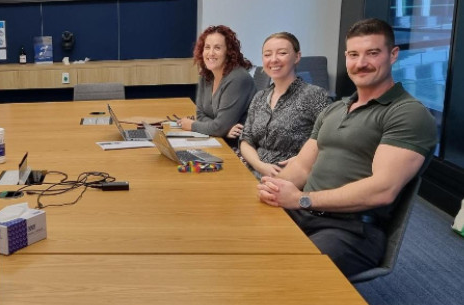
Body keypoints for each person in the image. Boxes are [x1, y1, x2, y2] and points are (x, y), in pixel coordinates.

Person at [257, 19, 436, 278]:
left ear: (393, 55)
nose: (361, 62)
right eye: (354, 54)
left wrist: (301, 199)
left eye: (372, 53)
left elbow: (382, 190)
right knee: (237, 244)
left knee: (288, 275)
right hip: (303, 213)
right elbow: (302, 166)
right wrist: (274, 191)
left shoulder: (408, 114)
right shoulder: (335, 109)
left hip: (350, 230)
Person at [228, 32, 331, 178]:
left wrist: (302, 161)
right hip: (252, 172)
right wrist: (261, 166)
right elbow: (246, 139)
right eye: (267, 54)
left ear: (297, 57)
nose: (274, 60)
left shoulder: (315, 95)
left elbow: (331, 140)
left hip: (289, 179)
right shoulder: (260, 97)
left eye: (282, 53)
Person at [179, 25, 255, 143]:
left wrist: (192, 125)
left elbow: (219, 127)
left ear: (228, 52)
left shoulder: (237, 78)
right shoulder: (206, 75)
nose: (211, 53)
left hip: (240, 147)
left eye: (217, 48)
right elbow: (200, 115)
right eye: (207, 47)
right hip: (219, 140)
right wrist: (223, 130)